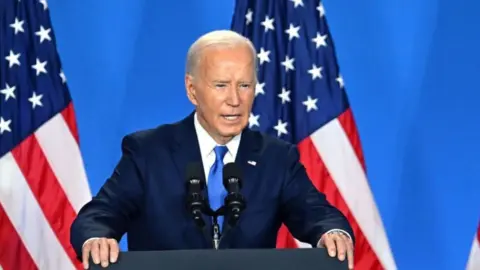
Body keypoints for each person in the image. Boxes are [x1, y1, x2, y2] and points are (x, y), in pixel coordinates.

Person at [70, 30, 355, 269]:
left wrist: (332, 232)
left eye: (244, 85)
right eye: (221, 85)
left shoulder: (276, 158)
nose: (235, 99)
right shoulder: (148, 152)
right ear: (192, 90)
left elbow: (317, 213)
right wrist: (97, 237)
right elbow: (98, 216)